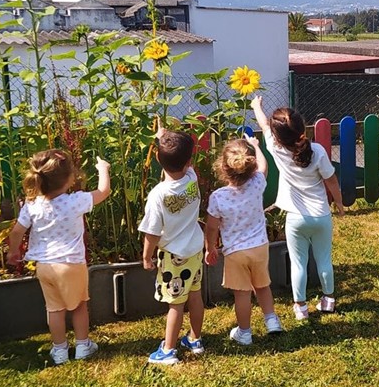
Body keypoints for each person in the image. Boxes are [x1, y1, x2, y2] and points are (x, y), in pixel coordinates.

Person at [6, 150, 111, 365]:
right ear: (70, 178)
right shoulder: (75, 201)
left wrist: (13, 251)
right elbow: (104, 191)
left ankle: (59, 350)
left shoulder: (32, 205)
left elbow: (16, 232)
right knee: (79, 305)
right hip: (71, 264)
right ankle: (83, 346)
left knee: (54, 309)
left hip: (44, 266)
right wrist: (103, 169)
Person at [251, 96, 344, 319]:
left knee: (298, 263)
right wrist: (339, 204)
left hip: (295, 217)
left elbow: (263, 124)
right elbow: (331, 181)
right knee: (324, 260)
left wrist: (256, 107)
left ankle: (301, 307)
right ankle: (328, 300)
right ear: (302, 127)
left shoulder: (275, 148)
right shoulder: (318, 151)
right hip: (321, 216)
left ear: (277, 137)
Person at [204, 135, 284, 345]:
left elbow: (212, 227)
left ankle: (245, 332)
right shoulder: (258, 183)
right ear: (251, 165)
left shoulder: (218, 197)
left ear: (223, 167)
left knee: (242, 294)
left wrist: (210, 248)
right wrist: (257, 146)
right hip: (260, 247)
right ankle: (272, 320)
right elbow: (264, 166)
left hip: (235, 253)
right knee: (263, 286)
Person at [139, 123, 205, 366]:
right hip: (195, 251)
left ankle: (168, 350)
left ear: (157, 158)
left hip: (174, 255)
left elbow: (152, 232)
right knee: (195, 295)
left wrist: (147, 257)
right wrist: (164, 137)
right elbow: (184, 163)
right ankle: (195, 339)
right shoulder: (192, 178)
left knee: (176, 304)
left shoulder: (158, 194)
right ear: (189, 162)